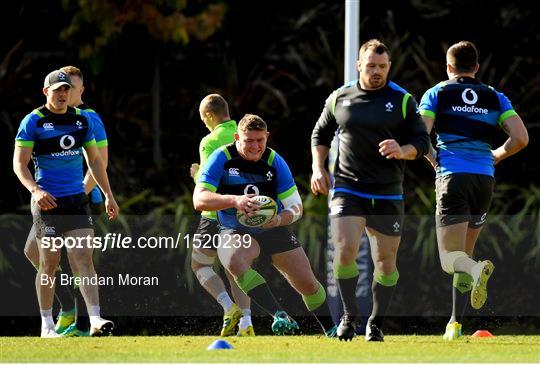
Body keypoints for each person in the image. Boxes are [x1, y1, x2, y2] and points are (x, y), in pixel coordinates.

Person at [311, 39, 430, 341]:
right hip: (349, 188)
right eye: (371, 65)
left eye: (382, 66)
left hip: (388, 192)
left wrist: (402, 150)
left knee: (385, 263)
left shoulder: (403, 100)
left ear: (389, 66)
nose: (376, 71)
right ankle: (350, 316)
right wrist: (318, 168)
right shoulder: (340, 97)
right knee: (345, 250)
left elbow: (421, 142)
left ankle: (375, 323)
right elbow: (320, 133)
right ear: (359, 65)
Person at [418, 41, 528, 340]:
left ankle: (477, 270)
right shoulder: (494, 96)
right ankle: (454, 324)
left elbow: (420, 134)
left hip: (453, 177)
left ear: (449, 67)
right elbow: (520, 138)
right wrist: (497, 154)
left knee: (449, 258)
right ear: (476, 67)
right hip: (484, 180)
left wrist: (433, 158)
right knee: (463, 254)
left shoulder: (437, 93)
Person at [193, 114, 336, 336]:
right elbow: (199, 199)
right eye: (249, 140)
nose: (255, 146)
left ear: (267, 137)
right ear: (237, 137)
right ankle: (279, 315)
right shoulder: (221, 158)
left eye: (260, 140)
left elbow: (296, 207)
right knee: (232, 259)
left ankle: (331, 329)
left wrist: (279, 219)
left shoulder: (274, 161)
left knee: (307, 284)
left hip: (273, 228)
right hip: (236, 229)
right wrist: (234, 200)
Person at [13, 69, 119, 338]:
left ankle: (94, 319)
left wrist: (107, 193)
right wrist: (35, 191)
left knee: (84, 259)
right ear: (45, 91)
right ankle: (47, 325)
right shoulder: (33, 121)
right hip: (47, 202)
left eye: (65, 90)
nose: (62, 94)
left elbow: (95, 160)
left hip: (76, 200)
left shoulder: (82, 120)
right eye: (57, 89)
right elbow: (19, 163)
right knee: (48, 262)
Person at [189, 94, 254, 337]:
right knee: (234, 267)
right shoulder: (244, 134)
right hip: (243, 212)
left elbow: (209, 184)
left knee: (199, 264)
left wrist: (196, 174)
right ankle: (247, 324)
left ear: (208, 116)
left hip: (215, 213)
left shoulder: (209, 141)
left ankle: (229, 307)